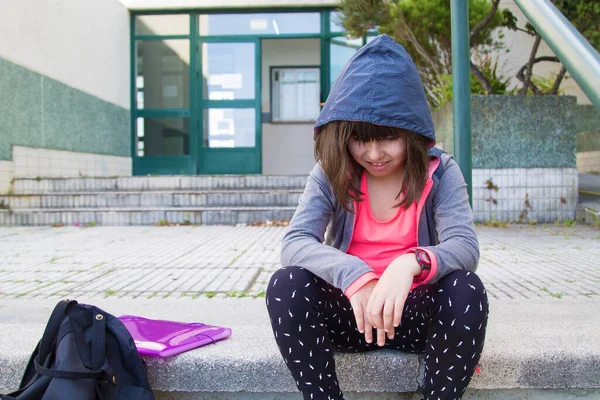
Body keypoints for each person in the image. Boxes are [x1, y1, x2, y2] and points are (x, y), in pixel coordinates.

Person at [265, 34, 488, 400]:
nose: (373, 153)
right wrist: (355, 277)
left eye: (387, 137)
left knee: (467, 290)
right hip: (352, 312)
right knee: (286, 284)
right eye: (359, 139)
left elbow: (464, 247)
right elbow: (295, 243)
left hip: (414, 312)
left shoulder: (441, 170)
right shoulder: (332, 171)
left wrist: (410, 264)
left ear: (412, 134)